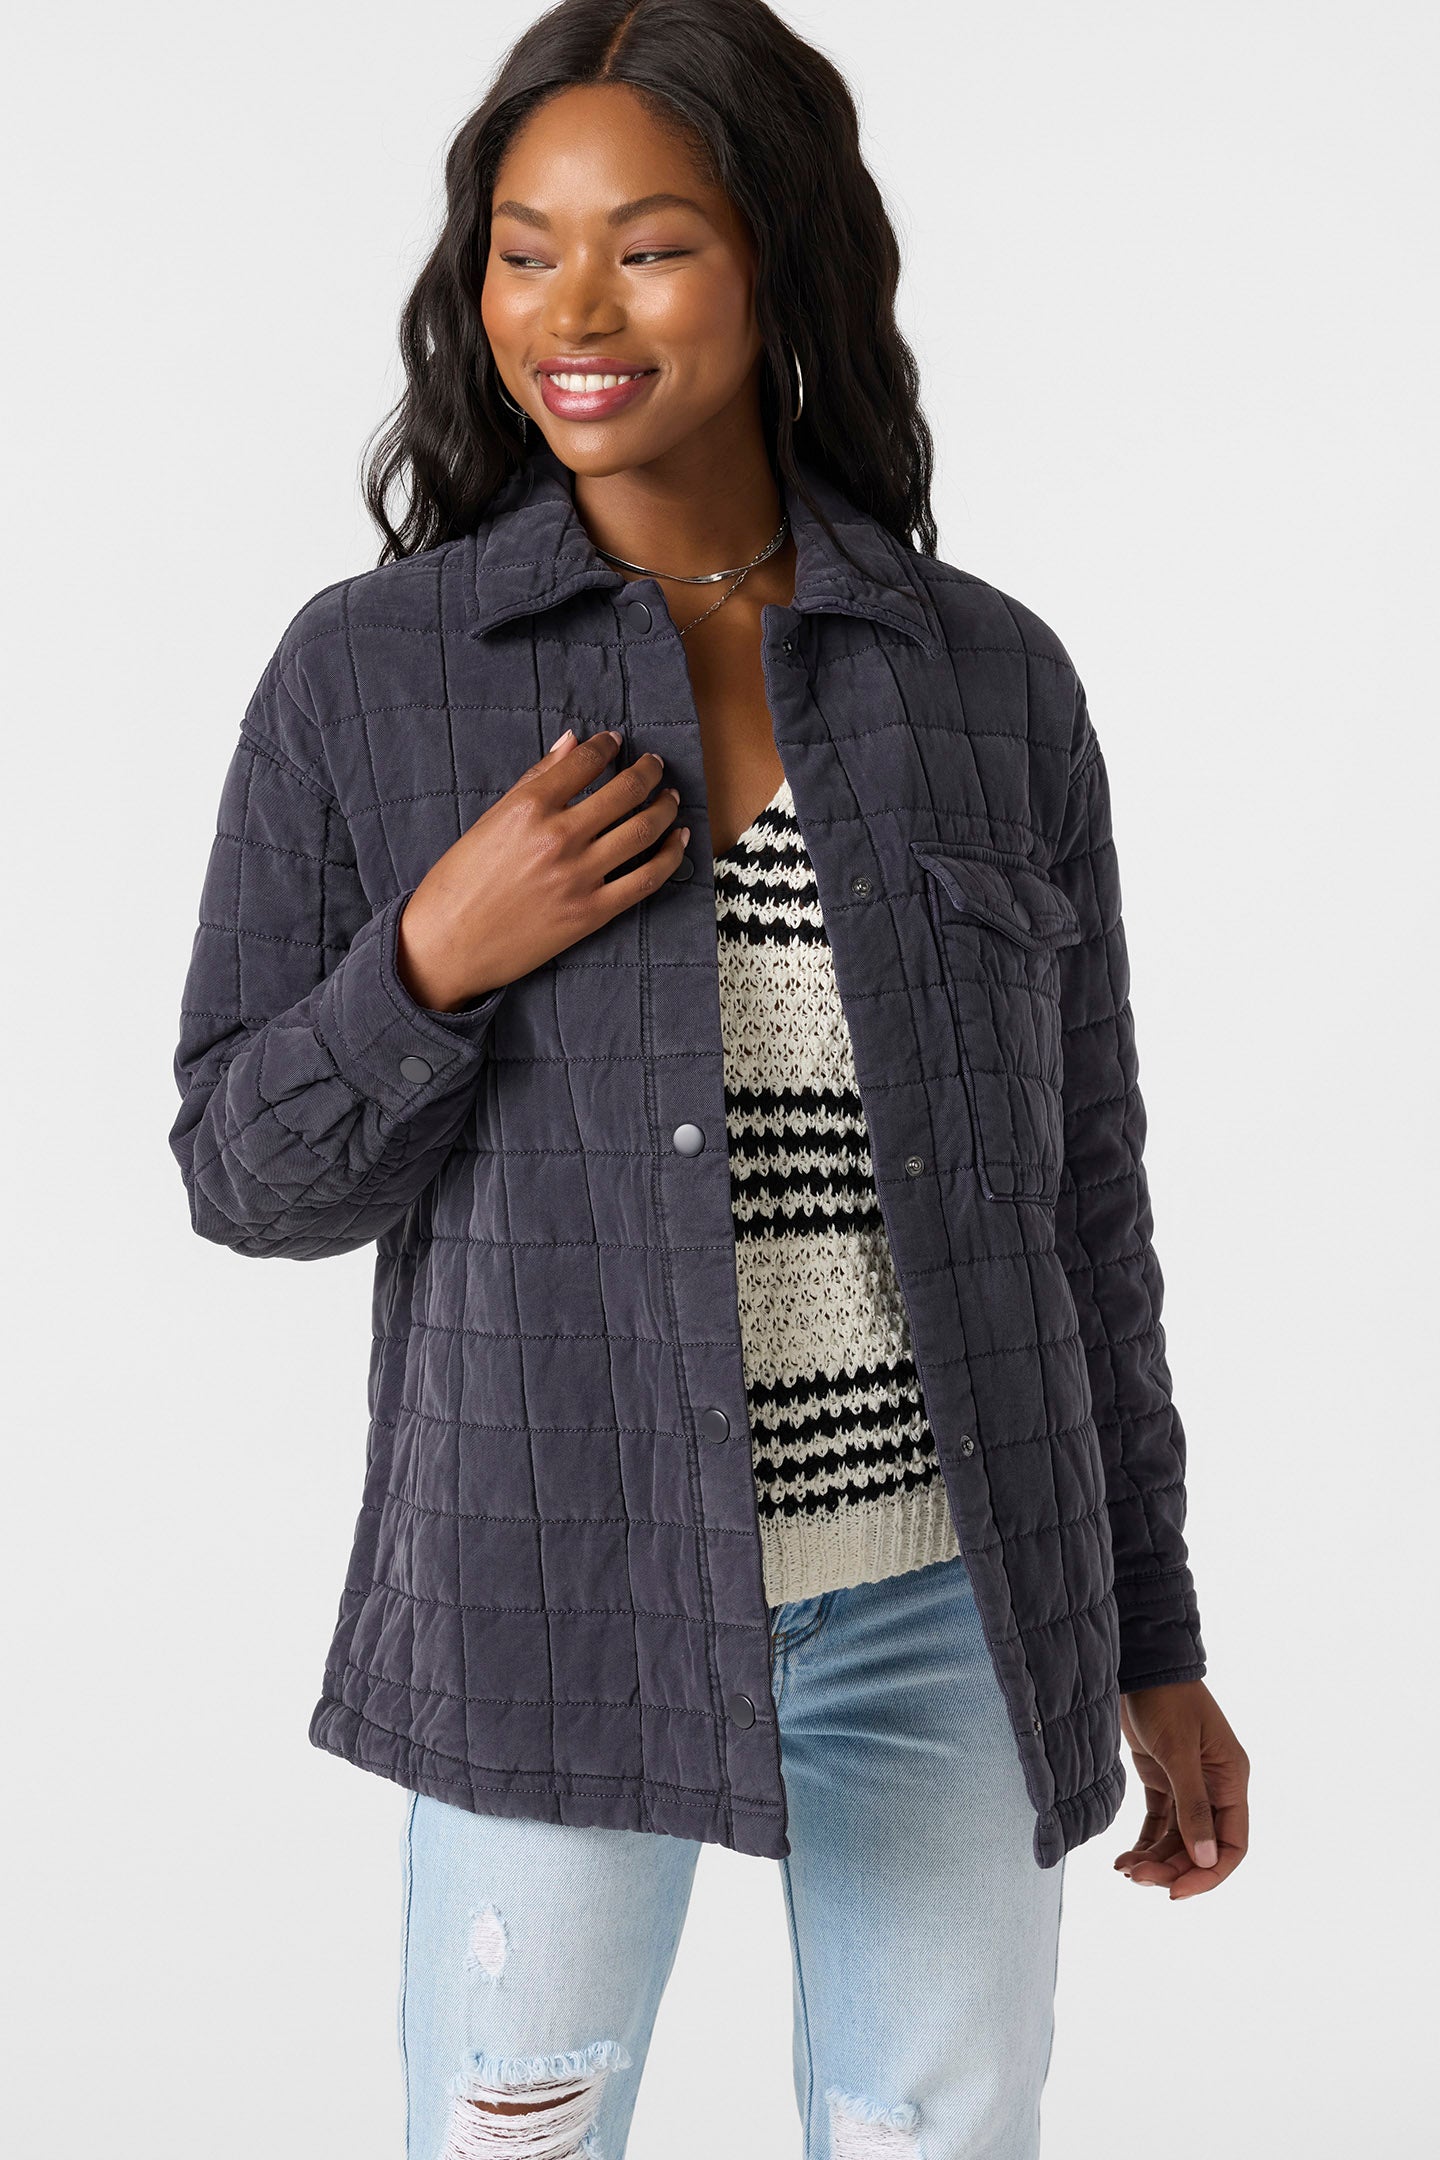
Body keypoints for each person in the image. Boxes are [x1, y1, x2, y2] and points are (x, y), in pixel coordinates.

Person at [168, 3, 1250, 2154]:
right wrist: (431, 960)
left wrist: (1155, 1631)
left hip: (951, 1596)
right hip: (556, 1599)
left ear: (779, 265)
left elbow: (1088, 1208)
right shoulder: (370, 675)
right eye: (523, 251)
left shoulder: (989, 682)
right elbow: (244, 1174)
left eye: (648, 246)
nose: (572, 311)